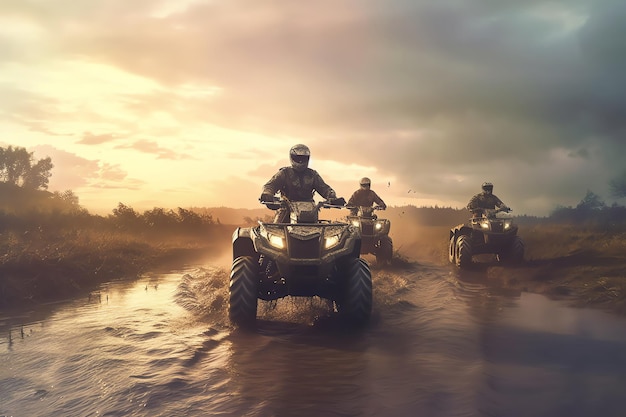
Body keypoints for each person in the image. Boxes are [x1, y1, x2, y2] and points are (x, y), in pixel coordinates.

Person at [260, 144, 340, 222]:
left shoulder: (312, 175)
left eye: (303, 158)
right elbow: (270, 185)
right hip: (286, 210)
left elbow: (325, 188)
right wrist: (267, 194)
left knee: (322, 233)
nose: (300, 161)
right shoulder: (284, 173)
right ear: (292, 157)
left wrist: (333, 197)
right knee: (276, 231)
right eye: (298, 158)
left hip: (310, 213)